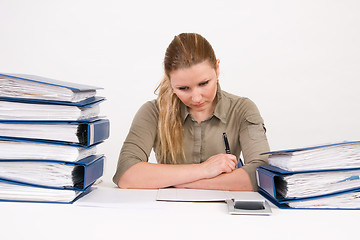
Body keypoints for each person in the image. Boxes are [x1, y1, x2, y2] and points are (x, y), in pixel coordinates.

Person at [113, 33, 270, 191]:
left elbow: (261, 175)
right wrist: (205, 170)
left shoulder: (243, 109)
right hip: (166, 212)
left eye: (204, 83)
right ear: (170, 82)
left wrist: (181, 183)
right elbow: (127, 174)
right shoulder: (152, 112)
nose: (196, 98)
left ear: (217, 69)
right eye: (183, 88)